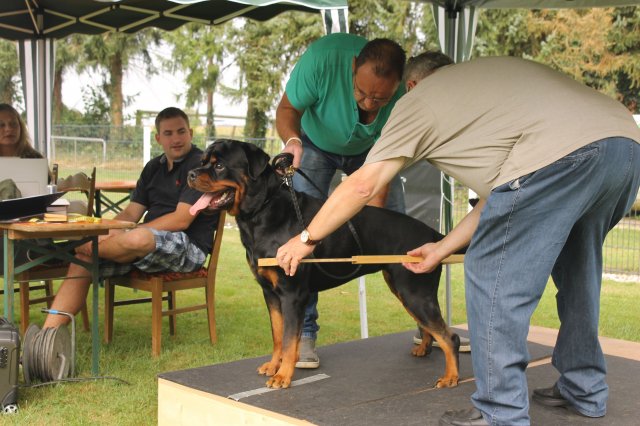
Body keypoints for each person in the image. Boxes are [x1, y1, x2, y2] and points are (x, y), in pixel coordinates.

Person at [275, 52, 640, 425]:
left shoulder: (419, 101)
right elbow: (503, 196)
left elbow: (365, 184)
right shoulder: (490, 88)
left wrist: (307, 236)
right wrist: (444, 246)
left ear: (411, 86)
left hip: (565, 157)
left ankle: (501, 413)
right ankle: (585, 390)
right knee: (577, 270)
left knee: (491, 271)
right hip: (624, 146)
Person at [275, 33, 407, 369]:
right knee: (305, 234)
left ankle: (430, 325)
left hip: (375, 154)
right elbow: (288, 108)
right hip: (316, 144)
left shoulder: (407, 95)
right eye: (362, 93)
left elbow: (382, 172)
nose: (367, 103)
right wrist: (293, 141)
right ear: (352, 68)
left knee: (401, 232)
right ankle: (304, 334)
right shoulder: (322, 59)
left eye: (379, 99)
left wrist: (376, 223)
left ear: (397, 85)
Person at [43, 107, 219, 329]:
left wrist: (124, 234)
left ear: (191, 133)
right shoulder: (153, 167)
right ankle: (46, 336)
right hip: (143, 249)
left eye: (181, 131)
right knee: (83, 261)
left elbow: (181, 220)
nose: (176, 138)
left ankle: (80, 247)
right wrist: (109, 231)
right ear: (158, 138)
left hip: (188, 247)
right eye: (168, 133)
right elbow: (130, 213)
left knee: (137, 238)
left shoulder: (199, 166)